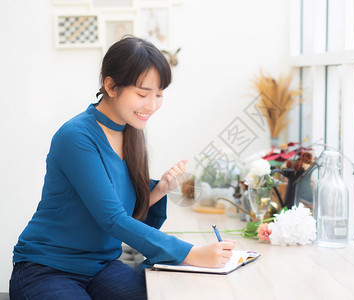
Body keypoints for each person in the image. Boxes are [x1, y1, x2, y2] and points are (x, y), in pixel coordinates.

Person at [9, 35, 235, 300]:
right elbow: (112, 218)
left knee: (163, 293)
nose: (151, 106)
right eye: (142, 94)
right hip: (47, 268)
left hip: (101, 267)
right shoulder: (76, 137)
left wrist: (159, 190)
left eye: (159, 94)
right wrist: (191, 253)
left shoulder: (131, 132)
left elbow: (123, 211)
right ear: (111, 86)